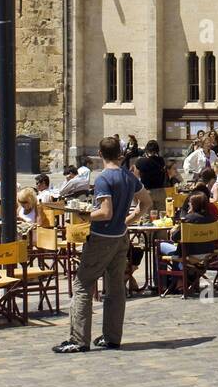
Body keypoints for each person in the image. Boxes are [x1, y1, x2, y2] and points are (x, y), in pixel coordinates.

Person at [53, 136, 152, 354]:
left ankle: (78, 339)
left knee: (82, 285)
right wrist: (129, 220)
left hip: (102, 238)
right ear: (120, 153)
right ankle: (112, 337)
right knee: (115, 288)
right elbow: (146, 202)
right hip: (121, 237)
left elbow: (105, 212)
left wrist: (84, 214)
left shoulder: (103, 178)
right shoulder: (128, 176)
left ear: (99, 154)